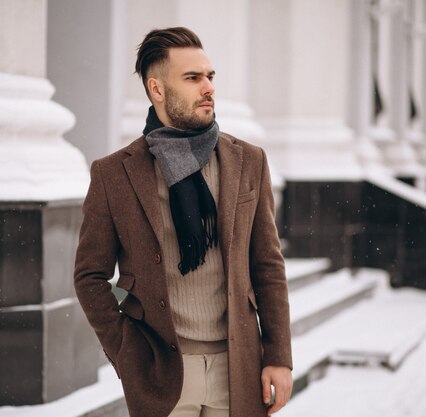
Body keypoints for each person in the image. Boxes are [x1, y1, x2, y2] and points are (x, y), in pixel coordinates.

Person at [74, 26, 293, 417]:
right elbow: (90, 275)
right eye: (192, 78)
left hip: (237, 365)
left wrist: (278, 355)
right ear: (157, 90)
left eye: (209, 76)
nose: (208, 87)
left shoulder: (248, 162)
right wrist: (126, 352)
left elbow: (267, 265)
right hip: (161, 373)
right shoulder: (114, 174)